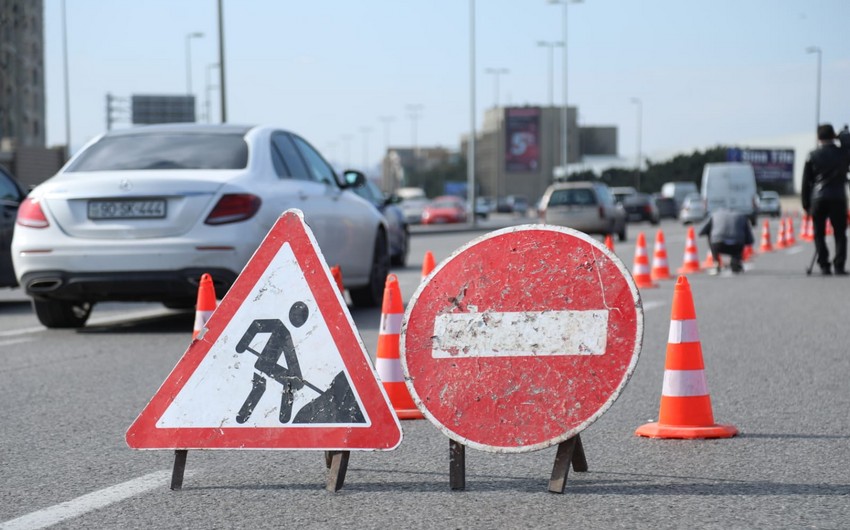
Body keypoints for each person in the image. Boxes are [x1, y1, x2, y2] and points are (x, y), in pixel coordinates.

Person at [801, 124, 850, 275]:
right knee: (840, 233)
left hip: (818, 198)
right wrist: (842, 135)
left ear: (818, 137)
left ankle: (824, 264)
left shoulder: (812, 155)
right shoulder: (842, 153)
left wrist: (806, 204)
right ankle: (839, 265)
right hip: (838, 197)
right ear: (833, 135)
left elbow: (806, 182)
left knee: (819, 233)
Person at [698, 206, 755, 274]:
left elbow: (701, 232)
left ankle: (716, 262)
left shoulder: (714, 215)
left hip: (718, 245)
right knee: (740, 238)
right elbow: (750, 240)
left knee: (710, 234)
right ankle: (736, 260)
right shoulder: (742, 216)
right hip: (736, 246)